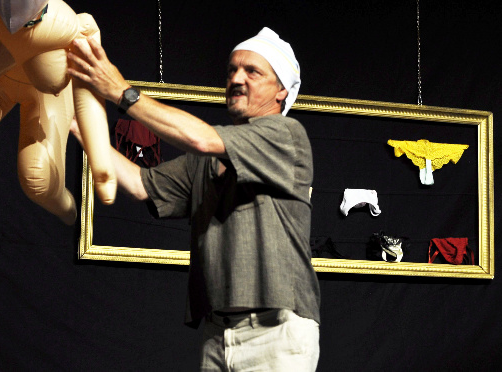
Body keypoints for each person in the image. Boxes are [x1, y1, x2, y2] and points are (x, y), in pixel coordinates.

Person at [68, 27, 320, 371]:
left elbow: (200, 139)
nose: (236, 79)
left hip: (276, 332)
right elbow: (140, 184)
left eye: (252, 71)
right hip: (218, 333)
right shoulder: (204, 161)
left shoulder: (287, 135)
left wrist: (120, 92)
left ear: (281, 91)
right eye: (232, 70)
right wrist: (76, 126)